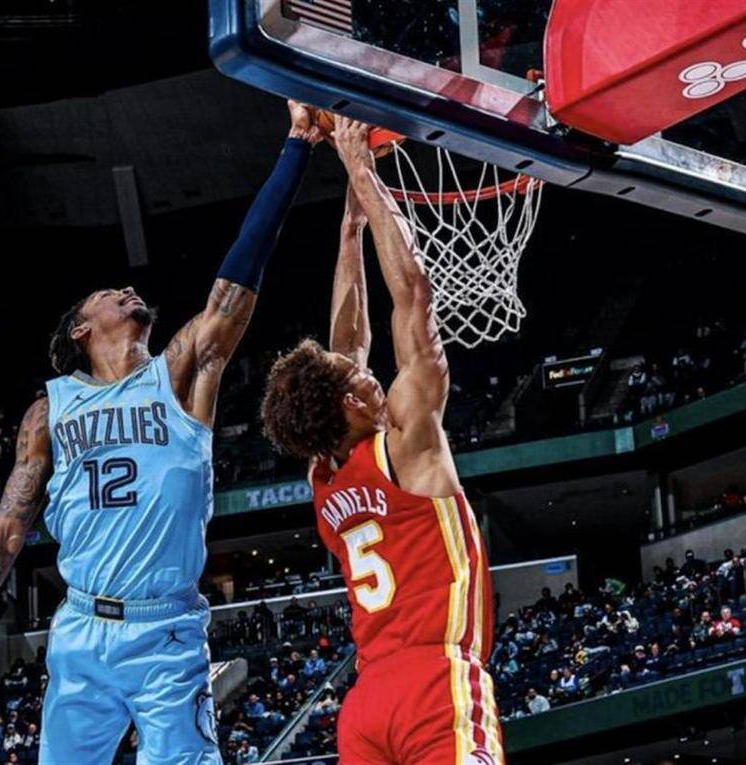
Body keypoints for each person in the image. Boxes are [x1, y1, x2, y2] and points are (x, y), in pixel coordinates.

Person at [0, 101, 325, 765]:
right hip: (81, 627)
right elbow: (8, 527)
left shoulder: (180, 374)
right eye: (109, 293)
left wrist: (297, 146)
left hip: (167, 628)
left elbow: (235, 286)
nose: (127, 290)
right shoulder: (50, 410)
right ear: (81, 328)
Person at [260, 115, 503, 765]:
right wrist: (360, 169)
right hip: (433, 681)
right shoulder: (406, 444)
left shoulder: (324, 474)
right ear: (350, 402)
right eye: (358, 378)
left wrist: (351, 227)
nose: (368, 371)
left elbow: (347, 343)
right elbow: (414, 297)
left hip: (366, 703)